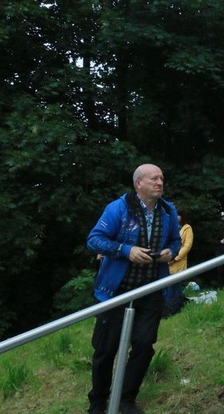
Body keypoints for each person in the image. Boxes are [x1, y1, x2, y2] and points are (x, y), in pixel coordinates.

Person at [86, 164, 181, 414]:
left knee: (143, 345)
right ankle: (97, 402)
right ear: (138, 184)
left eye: (162, 178)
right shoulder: (118, 208)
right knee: (106, 349)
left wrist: (171, 252)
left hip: (151, 290)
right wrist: (126, 251)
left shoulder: (168, 211)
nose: (160, 182)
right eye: (154, 179)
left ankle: (126, 399)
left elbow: (176, 241)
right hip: (117, 291)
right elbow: (94, 239)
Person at [164, 212, 193, 315]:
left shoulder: (187, 228)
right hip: (166, 261)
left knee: (175, 286)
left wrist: (175, 257)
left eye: (179, 215)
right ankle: (169, 308)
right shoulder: (169, 227)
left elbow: (187, 246)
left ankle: (174, 309)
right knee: (168, 287)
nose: (177, 217)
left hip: (178, 261)